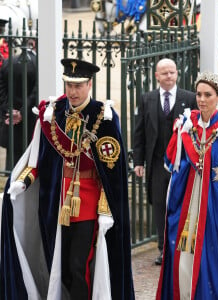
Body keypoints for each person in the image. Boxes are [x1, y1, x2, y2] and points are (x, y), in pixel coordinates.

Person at [0, 58, 135, 300]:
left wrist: (105, 209)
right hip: (56, 202)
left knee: (77, 265)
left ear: (89, 85)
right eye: (69, 85)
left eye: (78, 85)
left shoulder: (103, 117)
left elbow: (112, 172)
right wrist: (23, 182)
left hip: (88, 203)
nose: (72, 91)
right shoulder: (53, 113)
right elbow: (38, 159)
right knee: (59, 266)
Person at [156, 71, 218, 299]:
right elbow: (171, 162)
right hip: (187, 202)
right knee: (182, 252)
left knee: (211, 253)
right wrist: (179, 133)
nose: (201, 99)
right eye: (198, 94)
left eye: (208, 94)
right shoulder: (186, 125)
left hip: (214, 205)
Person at [133, 58, 197, 265]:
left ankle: (181, 246)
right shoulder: (147, 99)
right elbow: (139, 132)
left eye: (172, 72)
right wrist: (139, 162)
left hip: (182, 164)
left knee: (181, 204)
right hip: (157, 162)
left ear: (177, 74)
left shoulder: (190, 98)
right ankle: (163, 249)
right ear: (157, 76)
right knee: (159, 205)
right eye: (165, 73)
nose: (169, 76)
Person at [0, 39, 37, 168]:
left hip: (11, 120)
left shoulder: (8, 61)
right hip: (30, 120)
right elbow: (36, 93)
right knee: (29, 164)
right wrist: (22, 113)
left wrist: (9, 111)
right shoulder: (38, 63)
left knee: (13, 164)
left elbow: (1, 89)